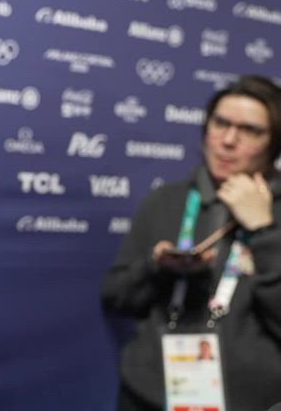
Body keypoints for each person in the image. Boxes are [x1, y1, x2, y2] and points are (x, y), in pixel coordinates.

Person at [102, 75, 281, 411]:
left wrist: (264, 229)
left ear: (274, 144)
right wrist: (156, 267)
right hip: (148, 397)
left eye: (250, 130)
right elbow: (116, 296)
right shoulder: (165, 200)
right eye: (221, 123)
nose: (228, 140)